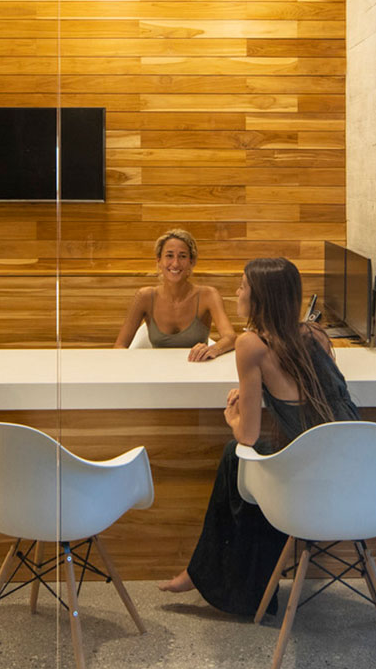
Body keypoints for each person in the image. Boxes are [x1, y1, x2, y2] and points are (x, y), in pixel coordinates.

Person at [158, 257, 360, 614]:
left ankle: (213, 577)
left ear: (260, 299)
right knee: (240, 464)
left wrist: (233, 416)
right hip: (351, 478)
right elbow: (310, 397)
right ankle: (219, 578)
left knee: (236, 453)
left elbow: (248, 436)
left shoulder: (252, 344)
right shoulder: (316, 335)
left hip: (303, 487)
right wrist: (259, 393)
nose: (236, 292)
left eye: (242, 287)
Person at [115, 229, 236, 361]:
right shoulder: (144, 297)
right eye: (169, 255)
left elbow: (230, 337)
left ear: (192, 261)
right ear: (159, 260)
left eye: (183, 256)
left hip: (198, 371)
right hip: (156, 373)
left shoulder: (208, 295)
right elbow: (120, 346)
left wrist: (214, 349)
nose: (176, 263)